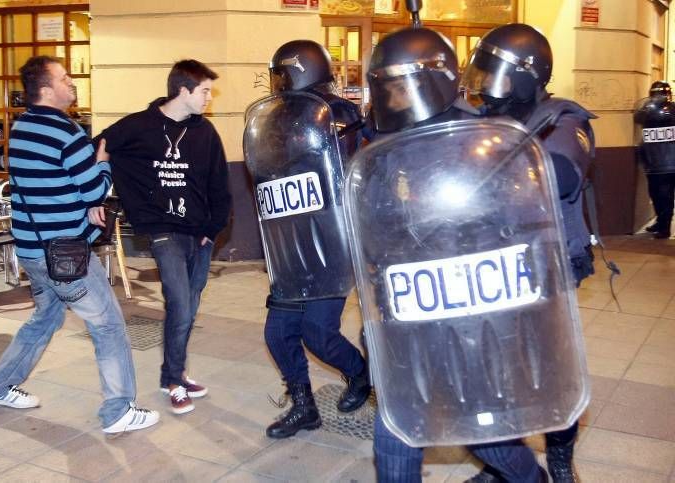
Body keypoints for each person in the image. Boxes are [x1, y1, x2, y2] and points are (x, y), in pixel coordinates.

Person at [355, 26, 548, 483]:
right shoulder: (384, 147)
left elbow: (517, 229)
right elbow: (375, 222)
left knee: (486, 435)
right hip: (407, 308)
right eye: (386, 87)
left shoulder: (484, 141)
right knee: (397, 425)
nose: (394, 98)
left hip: (467, 314)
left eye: (401, 85)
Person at [0, 56, 159, 435]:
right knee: (108, 325)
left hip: (32, 249)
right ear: (46, 90)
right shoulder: (67, 132)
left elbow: (48, 185)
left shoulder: (21, 127)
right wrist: (104, 162)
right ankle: (118, 410)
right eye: (64, 78)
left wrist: (82, 202)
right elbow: (94, 188)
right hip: (67, 255)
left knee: (45, 317)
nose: (72, 83)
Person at [462, 22, 598, 482]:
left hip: (547, 264)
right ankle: (507, 462)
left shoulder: (564, 120)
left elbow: (561, 174)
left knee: (549, 370)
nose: (484, 87)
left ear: (527, 75)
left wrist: (497, 167)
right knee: (501, 369)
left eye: (494, 75)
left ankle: (560, 458)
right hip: (494, 264)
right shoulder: (485, 120)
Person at [245, 40, 370, 439]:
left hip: (329, 242)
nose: (276, 82)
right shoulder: (275, 114)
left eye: (280, 73)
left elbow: (346, 164)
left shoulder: (340, 113)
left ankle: (360, 374)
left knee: (318, 331)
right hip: (289, 241)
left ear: (296, 70)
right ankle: (304, 407)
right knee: (277, 332)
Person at [97, 59, 231, 415]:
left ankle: (172, 373)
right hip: (162, 230)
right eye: (204, 91)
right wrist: (95, 194)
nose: (209, 98)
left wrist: (212, 230)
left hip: (199, 234)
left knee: (189, 307)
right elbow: (102, 145)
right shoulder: (139, 126)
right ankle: (174, 381)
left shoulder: (205, 132)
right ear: (183, 90)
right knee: (180, 304)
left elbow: (221, 186)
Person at [634, 81, 675, 239]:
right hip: (654, 162)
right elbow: (638, 117)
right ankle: (661, 222)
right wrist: (651, 106)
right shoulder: (647, 111)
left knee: (665, 195)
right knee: (656, 194)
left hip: (669, 161)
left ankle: (664, 227)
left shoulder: (672, 110)